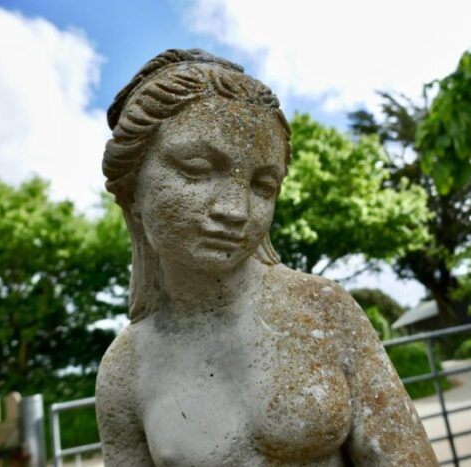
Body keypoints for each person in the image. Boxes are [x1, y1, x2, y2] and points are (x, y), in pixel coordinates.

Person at [96, 48, 437, 466]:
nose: (235, 210)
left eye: (262, 185)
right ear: (133, 194)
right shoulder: (125, 369)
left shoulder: (322, 310)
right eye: (198, 169)